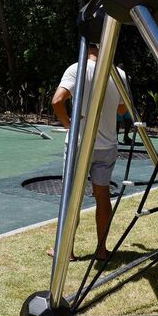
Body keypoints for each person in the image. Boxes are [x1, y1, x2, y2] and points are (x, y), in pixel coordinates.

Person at [49, 44, 128, 262]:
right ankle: (101, 249)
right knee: (102, 197)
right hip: (107, 145)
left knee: (71, 197)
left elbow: (57, 101)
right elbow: (123, 109)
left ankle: (67, 250)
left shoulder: (78, 68)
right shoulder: (119, 73)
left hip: (80, 145)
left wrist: (68, 124)